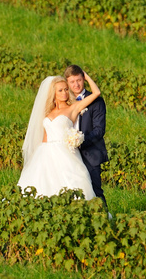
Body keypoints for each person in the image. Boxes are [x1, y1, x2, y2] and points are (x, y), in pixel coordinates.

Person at [17, 72, 101, 200]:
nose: (64, 93)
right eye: (60, 90)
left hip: (65, 153)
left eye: (66, 89)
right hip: (45, 152)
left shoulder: (73, 108)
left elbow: (96, 93)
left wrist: (86, 76)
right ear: (53, 93)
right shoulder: (48, 112)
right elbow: (45, 136)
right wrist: (37, 156)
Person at [65, 64, 108, 206]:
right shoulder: (65, 102)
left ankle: (105, 219)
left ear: (84, 79)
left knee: (95, 191)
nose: (76, 85)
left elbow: (99, 130)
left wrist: (80, 141)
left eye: (79, 80)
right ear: (67, 83)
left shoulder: (95, 101)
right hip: (69, 154)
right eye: (72, 81)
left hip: (90, 153)